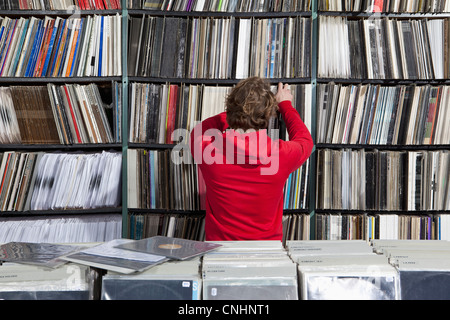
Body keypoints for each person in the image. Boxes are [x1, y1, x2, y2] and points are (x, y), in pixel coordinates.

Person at [189, 76, 313, 241]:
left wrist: (238, 111)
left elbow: (200, 130)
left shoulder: (208, 151)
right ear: (268, 114)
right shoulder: (281, 154)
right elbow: (305, 140)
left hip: (220, 252)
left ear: (231, 108)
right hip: (267, 252)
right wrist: (285, 105)